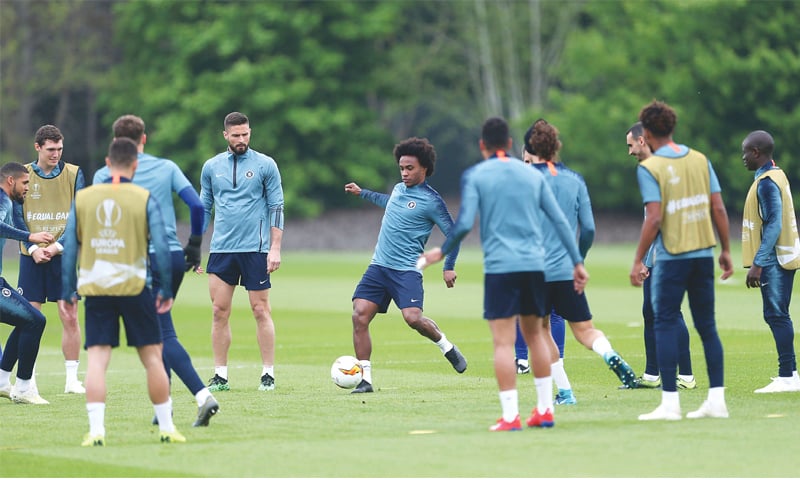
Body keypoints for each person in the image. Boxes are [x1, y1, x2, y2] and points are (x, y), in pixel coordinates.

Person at [419, 117, 588, 431]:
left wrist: (441, 252)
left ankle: (511, 416)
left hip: (501, 268)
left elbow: (466, 223)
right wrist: (577, 261)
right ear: (510, 144)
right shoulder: (530, 174)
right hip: (535, 266)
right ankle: (545, 410)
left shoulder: (476, 175)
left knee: (503, 343)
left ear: (482, 145)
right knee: (537, 335)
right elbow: (561, 222)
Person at [93, 114, 220, 426]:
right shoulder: (166, 167)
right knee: (159, 330)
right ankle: (165, 404)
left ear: (114, 142)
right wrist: (193, 243)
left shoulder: (102, 174)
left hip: (138, 259)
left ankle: (203, 397)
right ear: (144, 139)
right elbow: (198, 205)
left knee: (160, 333)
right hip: (174, 256)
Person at [59, 137, 184, 446]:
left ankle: (96, 431)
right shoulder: (143, 197)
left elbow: (71, 248)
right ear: (135, 165)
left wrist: (67, 291)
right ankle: (167, 427)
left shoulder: (84, 198)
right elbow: (162, 247)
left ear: (107, 162)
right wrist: (166, 288)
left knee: (98, 361)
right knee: (153, 359)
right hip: (135, 287)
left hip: (97, 289)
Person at [630, 100, 733, 421]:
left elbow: (654, 217)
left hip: (672, 257)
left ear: (646, 133)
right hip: (704, 254)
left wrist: (637, 260)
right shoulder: (700, 159)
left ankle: (670, 403)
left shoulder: (650, 168)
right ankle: (717, 400)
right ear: (672, 127)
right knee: (707, 326)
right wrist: (726, 250)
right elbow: (718, 208)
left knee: (663, 322)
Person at [344, 136, 467, 394]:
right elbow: (387, 201)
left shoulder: (432, 201)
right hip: (379, 266)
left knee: (412, 319)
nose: (404, 173)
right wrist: (361, 192)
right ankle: (365, 379)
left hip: (406, 270)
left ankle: (446, 346)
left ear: (424, 168)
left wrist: (449, 266)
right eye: (401, 168)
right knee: (360, 314)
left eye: (409, 168)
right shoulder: (399, 190)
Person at [523, 119, 637, 397]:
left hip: (532, 270)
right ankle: (608, 353)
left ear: (528, 149)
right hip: (565, 268)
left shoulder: (523, 180)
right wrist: (579, 260)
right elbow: (588, 228)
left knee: (539, 331)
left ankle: (564, 392)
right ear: (555, 147)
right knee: (585, 331)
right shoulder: (575, 180)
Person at [200, 112, 284, 392]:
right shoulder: (211, 167)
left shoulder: (265, 164)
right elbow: (204, 207)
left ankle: (268, 374)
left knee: (260, 309)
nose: (241, 140)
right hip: (222, 249)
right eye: (236, 135)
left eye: (245, 134)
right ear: (225, 135)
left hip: (256, 249)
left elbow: (277, 207)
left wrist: (275, 248)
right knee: (218, 311)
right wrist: (193, 247)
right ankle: (221, 375)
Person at [9, 125, 85, 394]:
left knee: (70, 315)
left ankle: (72, 379)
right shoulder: (22, 175)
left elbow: (79, 216)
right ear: (38, 147)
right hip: (31, 255)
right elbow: (17, 217)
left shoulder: (74, 174)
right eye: (51, 149)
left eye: (60, 149)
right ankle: (28, 379)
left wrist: (56, 248)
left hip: (62, 255)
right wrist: (33, 249)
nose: (56, 154)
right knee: (29, 318)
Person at [626, 121, 696, 390]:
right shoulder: (650, 168)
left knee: (669, 311)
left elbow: (659, 220)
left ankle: (687, 376)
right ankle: (652, 374)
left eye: (631, 145)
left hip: (668, 254)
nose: (629, 151)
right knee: (650, 311)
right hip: (661, 254)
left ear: (643, 141)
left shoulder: (659, 170)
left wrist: (645, 260)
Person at [740, 130, 800, 393]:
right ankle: (789, 373)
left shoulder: (766, 182)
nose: (743, 158)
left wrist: (758, 263)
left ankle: (788, 376)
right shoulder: (777, 174)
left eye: (745, 152)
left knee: (776, 314)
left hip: (774, 259)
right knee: (777, 314)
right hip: (783, 256)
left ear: (756, 152)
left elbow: (773, 224)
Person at [0, 162, 54, 404]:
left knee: (28, 319)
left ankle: (3, 381)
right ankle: (22, 389)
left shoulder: (9, 203)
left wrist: (31, 245)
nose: (28, 188)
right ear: (10, 181)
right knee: (35, 320)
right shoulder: (2, 200)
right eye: (25, 183)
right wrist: (29, 237)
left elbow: (16, 224)